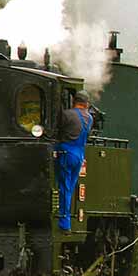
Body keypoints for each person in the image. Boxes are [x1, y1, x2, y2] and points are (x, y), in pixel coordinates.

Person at [55, 90, 93, 232]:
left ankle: (64, 222)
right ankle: (66, 220)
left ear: (74, 101)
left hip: (66, 152)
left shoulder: (67, 114)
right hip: (79, 155)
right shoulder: (89, 118)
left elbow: (57, 130)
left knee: (64, 187)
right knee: (70, 188)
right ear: (86, 103)